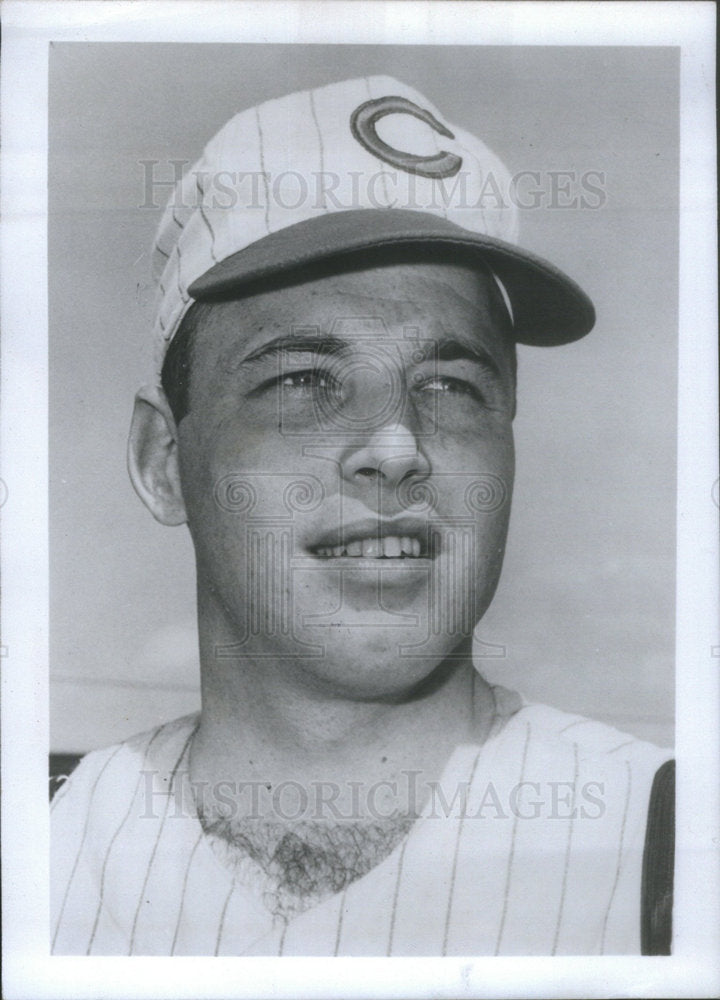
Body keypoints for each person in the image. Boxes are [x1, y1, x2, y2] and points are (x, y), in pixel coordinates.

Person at [51, 75, 673, 956]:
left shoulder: (674, 853)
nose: (396, 445)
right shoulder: (44, 847)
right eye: (303, 380)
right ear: (163, 464)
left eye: (451, 386)